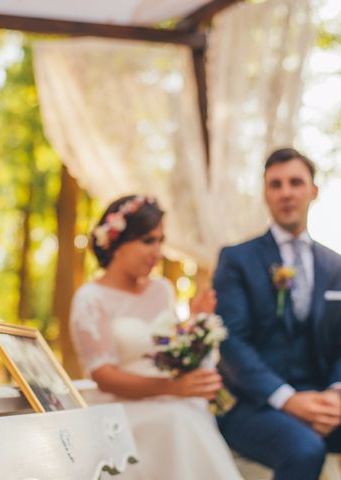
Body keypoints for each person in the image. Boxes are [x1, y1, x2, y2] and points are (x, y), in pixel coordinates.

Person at [213, 148, 341, 479]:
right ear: (266, 194)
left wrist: (336, 395)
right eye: (276, 184)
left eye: (296, 182)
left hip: (325, 403)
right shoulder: (237, 259)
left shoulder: (337, 266)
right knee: (304, 448)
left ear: (313, 191)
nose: (286, 192)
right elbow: (232, 343)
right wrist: (287, 400)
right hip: (254, 407)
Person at [70, 195, 243, 479]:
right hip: (118, 410)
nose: (158, 251)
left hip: (167, 402)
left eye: (161, 241)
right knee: (179, 420)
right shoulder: (90, 298)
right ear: (117, 243)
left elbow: (169, 352)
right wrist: (172, 388)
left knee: (188, 414)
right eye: (148, 241)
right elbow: (103, 375)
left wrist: (196, 325)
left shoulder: (161, 289)